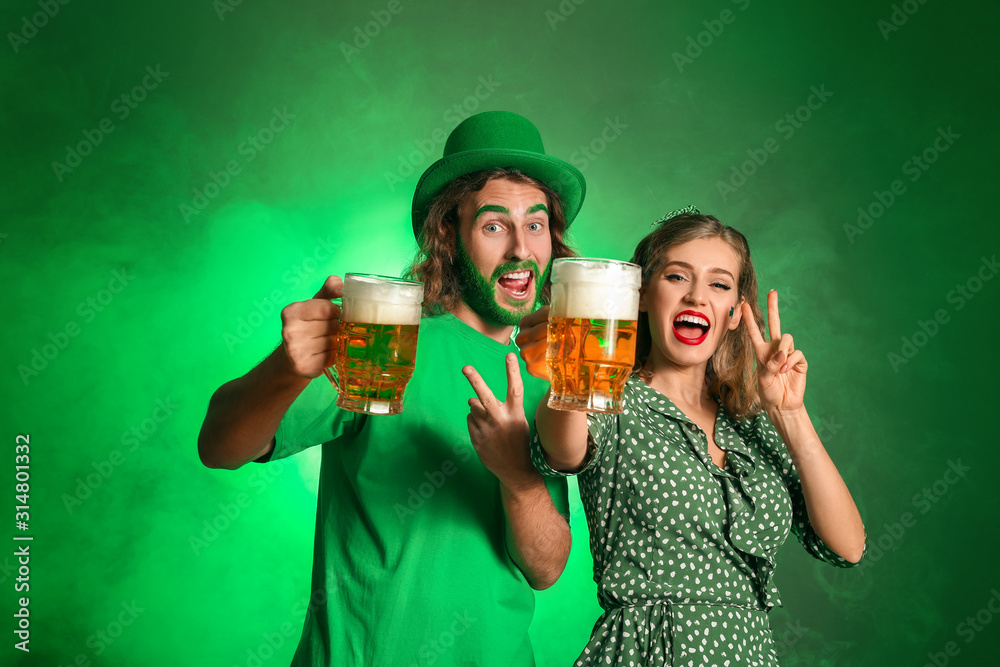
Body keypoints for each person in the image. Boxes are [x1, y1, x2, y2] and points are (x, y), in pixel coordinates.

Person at [197, 111, 587, 666]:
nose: (521, 250)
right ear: (449, 234)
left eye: (537, 224)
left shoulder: (552, 373)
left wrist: (517, 476)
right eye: (495, 225)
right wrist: (286, 368)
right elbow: (218, 446)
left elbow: (545, 569)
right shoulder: (383, 341)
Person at [519, 207, 866, 666]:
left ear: (735, 314)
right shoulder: (610, 399)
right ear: (641, 295)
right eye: (677, 278)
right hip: (648, 651)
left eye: (719, 285)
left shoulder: (750, 423)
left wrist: (790, 414)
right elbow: (562, 448)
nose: (697, 298)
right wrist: (573, 375)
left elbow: (847, 547)